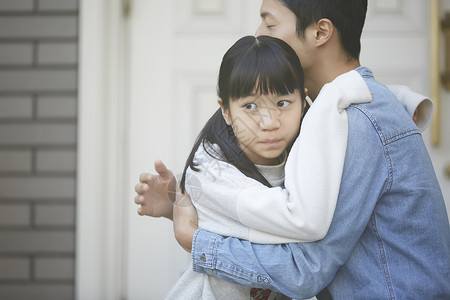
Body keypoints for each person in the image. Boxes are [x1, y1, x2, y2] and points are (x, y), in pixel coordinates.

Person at [135, 0, 450, 299]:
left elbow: (304, 270)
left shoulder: (357, 123)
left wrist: (195, 240)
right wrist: (198, 204)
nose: (258, 33)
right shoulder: (333, 113)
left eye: (269, 23)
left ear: (320, 32)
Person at [162, 34, 373, 299]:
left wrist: (400, 102)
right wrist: (334, 97)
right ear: (225, 111)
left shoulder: (301, 157)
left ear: (303, 102)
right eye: (249, 106)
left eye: (282, 103)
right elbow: (304, 222)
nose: (269, 122)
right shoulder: (208, 172)